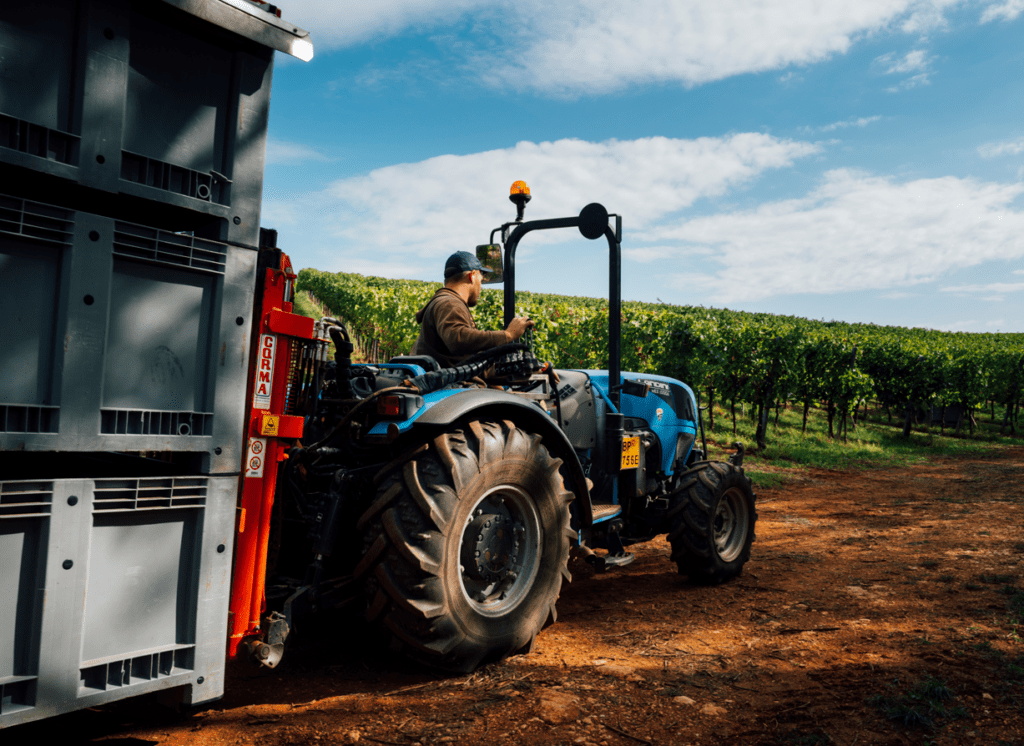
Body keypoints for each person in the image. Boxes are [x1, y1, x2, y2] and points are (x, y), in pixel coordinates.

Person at [410, 251, 534, 368]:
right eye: (481, 280)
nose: (480, 287)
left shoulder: (446, 302)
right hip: (453, 387)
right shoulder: (449, 303)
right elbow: (457, 339)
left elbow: (465, 364)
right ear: (472, 276)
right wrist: (508, 334)